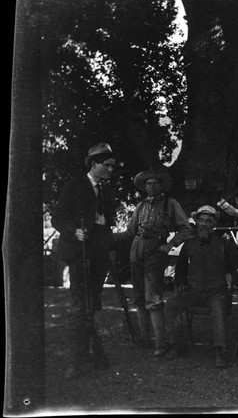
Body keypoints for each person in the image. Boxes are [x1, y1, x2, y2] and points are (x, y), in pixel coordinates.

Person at [51, 143, 119, 379]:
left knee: (92, 304)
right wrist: (73, 232)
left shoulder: (106, 191)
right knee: (80, 307)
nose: (111, 170)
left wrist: (109, 245)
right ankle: (77, 361)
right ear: (94, 164)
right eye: (107, 165)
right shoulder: (75, 185)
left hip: (98, 252)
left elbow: (106, 223)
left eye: (113, 165)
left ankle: (90, 353)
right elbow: (57, 218)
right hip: (79, 251)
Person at [115, 169, 192, 357]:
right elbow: (130, 232)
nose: (151, 187)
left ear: (161, 185)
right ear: (144, 186)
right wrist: (109, 239)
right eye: (148, 184)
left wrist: (170, 245)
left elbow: (186, 229)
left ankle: (160, 343)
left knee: (153, 298)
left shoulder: (171, 204)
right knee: (139, 296)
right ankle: (144, 338)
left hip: (156, 251)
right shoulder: (140, 206)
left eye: (155, 183)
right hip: (136, 249)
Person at [163, 205, 238, 368]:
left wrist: (230, 273)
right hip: (194, 291)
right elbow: (180, 267)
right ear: (196, 223)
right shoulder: (189, 244)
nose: (204, 224)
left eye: (208, 221)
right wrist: (180, 283)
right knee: (171, 304)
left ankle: (219, 351)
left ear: (214, 223)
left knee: (218, 309)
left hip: (216, 291)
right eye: (201, 221)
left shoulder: (225, 243)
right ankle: (176, 345)